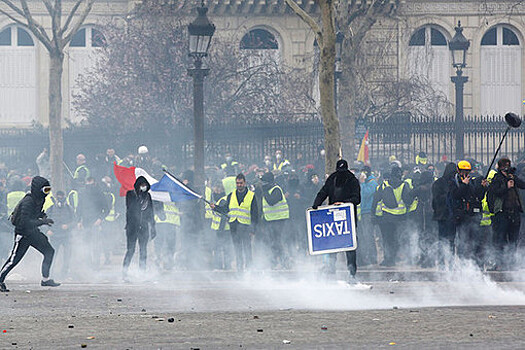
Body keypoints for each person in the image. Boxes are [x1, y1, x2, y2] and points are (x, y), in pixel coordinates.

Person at [0, 176, 60, 293]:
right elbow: (25, 222)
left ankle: (45, 279)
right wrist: (42, 222)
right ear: (38, 189)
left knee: (49, 251)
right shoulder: (28, 201)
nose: (46, 194)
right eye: (45, 190)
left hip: (33, 232)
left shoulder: (40, 200)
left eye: (48, 190)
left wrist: (42, 217)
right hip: (23, 234)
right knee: (14, 259)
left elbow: (34, 216)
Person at [312, 159, 361, 283]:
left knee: (349, 247)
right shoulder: (332, 179)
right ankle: (331, 271)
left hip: (347, 219)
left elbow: (357, 198)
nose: (341, 173)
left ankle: (351, 274)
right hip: (332, 219)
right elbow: (323, 192)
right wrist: (316, 204)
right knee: (332, 246)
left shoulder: (352, 180)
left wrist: (344, 203)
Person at [487, 158, 525, 271]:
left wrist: (514, 179)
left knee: (513, 240)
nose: (507, 169)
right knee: (500, 240)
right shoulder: (497, 178)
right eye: (504, 167)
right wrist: (506, 187)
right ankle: (500, 263)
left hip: (514, 213)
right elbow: (495, 192)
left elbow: (523, 185)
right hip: (502, 214)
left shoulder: (512, 177)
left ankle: (511, 263)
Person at [448, 160, 487, 264]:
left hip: (473, 216)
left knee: (475, 239)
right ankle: (463, 262)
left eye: (467, 171)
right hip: (461, 216)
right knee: (463, 240)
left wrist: (482, 188)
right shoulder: (453, 182)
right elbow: (455, 195)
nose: (465, 174)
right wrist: (464, 185)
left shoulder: (472, 182)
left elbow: (477, 197)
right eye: (463, 171)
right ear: (458, 170)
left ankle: (474, 262)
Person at [218, 173, 258, 272]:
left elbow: (255, 214)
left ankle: (249, 269)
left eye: (241, 183)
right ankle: (240, 269)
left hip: (245, 227)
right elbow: (225, 209)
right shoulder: (231, 195)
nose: (239, 185)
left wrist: (253, 229)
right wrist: (216, 208)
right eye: (237, 183)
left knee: (247, 249)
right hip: (234, 226)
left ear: (244, 183)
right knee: (237, 249)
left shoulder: (251, 196)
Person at [123, 176, 156, 279]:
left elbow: (151, 211)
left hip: (144, 227)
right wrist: (139, 196)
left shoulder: (148, 196)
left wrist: (153, 226)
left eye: (145, 185)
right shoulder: (130, 194)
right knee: (131, 249)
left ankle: (142, 272)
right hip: (132, 227)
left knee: (143, 250)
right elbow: (130, 208)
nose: (143, 187)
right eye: (142, 185)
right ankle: (124, 271)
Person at [77, 177, 109, 268]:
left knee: (96, 245)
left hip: (96, 223)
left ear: (94, 182)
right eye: (87, 181)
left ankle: (96, 265)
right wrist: (79, 220)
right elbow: (79, 208)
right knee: (86, 244)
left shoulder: (100, 193)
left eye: (90, 181)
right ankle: (88, 264)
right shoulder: (82, 193)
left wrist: (100, 219)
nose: (89, 184)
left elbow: (106, 209)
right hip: (85, 223)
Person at [261, 171, 290, 269]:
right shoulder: (268, 189)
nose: (262, 184)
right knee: (273, 242)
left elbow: (271, 202)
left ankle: (284, 261)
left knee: (277, 242)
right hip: (271, 220)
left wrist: (264, 191)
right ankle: (275, 261)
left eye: (264, 182)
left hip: (279, 219)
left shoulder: (276, 189)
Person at [432, 162, 456, 270]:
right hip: (442, 216)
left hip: (451, 217)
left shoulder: (454, 183)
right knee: (442, 241)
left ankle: (451, 263)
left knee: (451, 241)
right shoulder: (439, 183)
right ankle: (442, 264)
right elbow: (436, 200)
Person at [45, 191, 75, 277]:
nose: (60, 198)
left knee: (67, 255)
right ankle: (50, 273)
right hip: (54, 235)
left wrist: (68, 226)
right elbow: (44, 221)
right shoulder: (50, 209)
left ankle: (64, 273)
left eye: (61, 196)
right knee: (53, 255)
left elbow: (74, 221)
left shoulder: (69, 209)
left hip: (66, 236)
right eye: (58, 196)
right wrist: (47, 230)